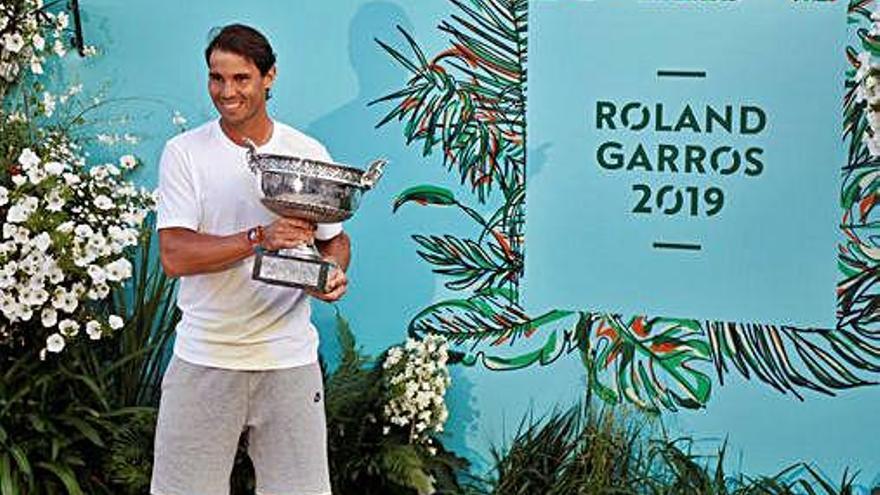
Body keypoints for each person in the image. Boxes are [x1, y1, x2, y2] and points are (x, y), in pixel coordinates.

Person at [150, 23, 346, 495]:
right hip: (205, 357)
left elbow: (333, 240)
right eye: (217, 79)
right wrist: (260, 236)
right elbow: (174, 255)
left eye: (241, 79)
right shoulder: (184, 153)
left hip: (288, 360)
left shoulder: (306, 153)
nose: (226, 92)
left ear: (269, 77)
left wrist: (333, 273)